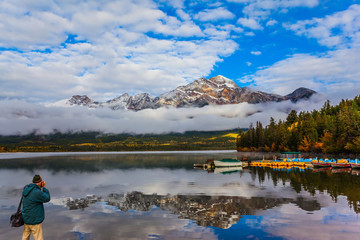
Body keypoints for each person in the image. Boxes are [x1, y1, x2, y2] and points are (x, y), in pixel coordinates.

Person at [22, 174, 50, 240]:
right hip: (34, 220)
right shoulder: (37, 192)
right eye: (41, 182)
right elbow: (47, 198)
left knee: (25, 237)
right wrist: (44, 188)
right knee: (39, 238)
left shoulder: (26, 189)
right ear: (39, 182)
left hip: (26, 218)